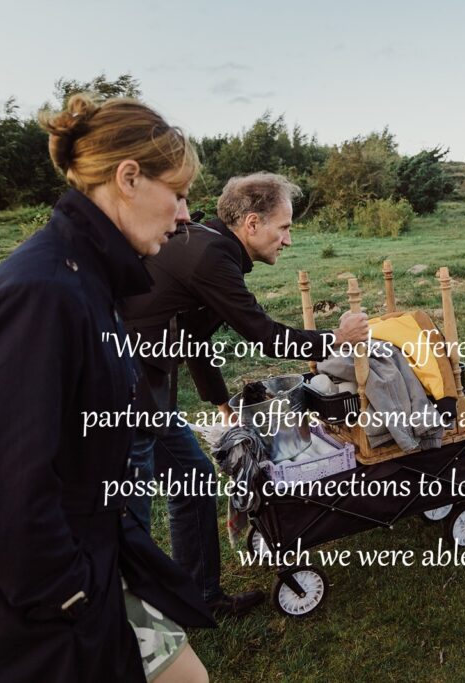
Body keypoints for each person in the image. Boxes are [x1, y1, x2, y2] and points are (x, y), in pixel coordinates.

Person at [0, 94, 213, 682]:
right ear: (128, 178)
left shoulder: (87, 277)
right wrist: (71, 598)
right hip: (36, 607)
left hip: (93, 562)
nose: (184, 214)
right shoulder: (41, 292)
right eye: (176, 193)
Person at [120, 172, 368, 616]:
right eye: (284, 228)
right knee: (127, 515)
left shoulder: (207, 246)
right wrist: (337, 339)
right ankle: (127, 626)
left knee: (192, 479)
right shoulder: (211, 253)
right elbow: (266, 336)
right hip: (120, 390)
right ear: (252, 224)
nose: (288, 240)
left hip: (144, 388)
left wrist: (220, 403)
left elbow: (192, 335)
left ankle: (200, 597)